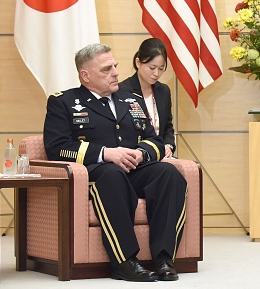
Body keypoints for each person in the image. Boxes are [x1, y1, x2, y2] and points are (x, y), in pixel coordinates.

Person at [43, 43, 187, 282]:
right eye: (107, 69)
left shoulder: (131, 100)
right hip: (96, 176)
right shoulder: (64, 102)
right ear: (85, 75)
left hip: (134, 169)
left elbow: (155, 140)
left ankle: (163, 258)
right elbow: (57, 148)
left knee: (168, 174)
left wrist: (142, 153)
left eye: (115, 66)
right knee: (111, 174)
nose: (116, 73)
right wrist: (105, 153)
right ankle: (125, 261)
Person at [119, 38, 175, 158]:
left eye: (161, 68)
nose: (156, 73)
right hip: (135, 155)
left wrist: (168, 145)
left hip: (161, 154)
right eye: (152, 67)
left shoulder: (163, 91)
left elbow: (168, 127)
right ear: (138, 62)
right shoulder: (123, 91)